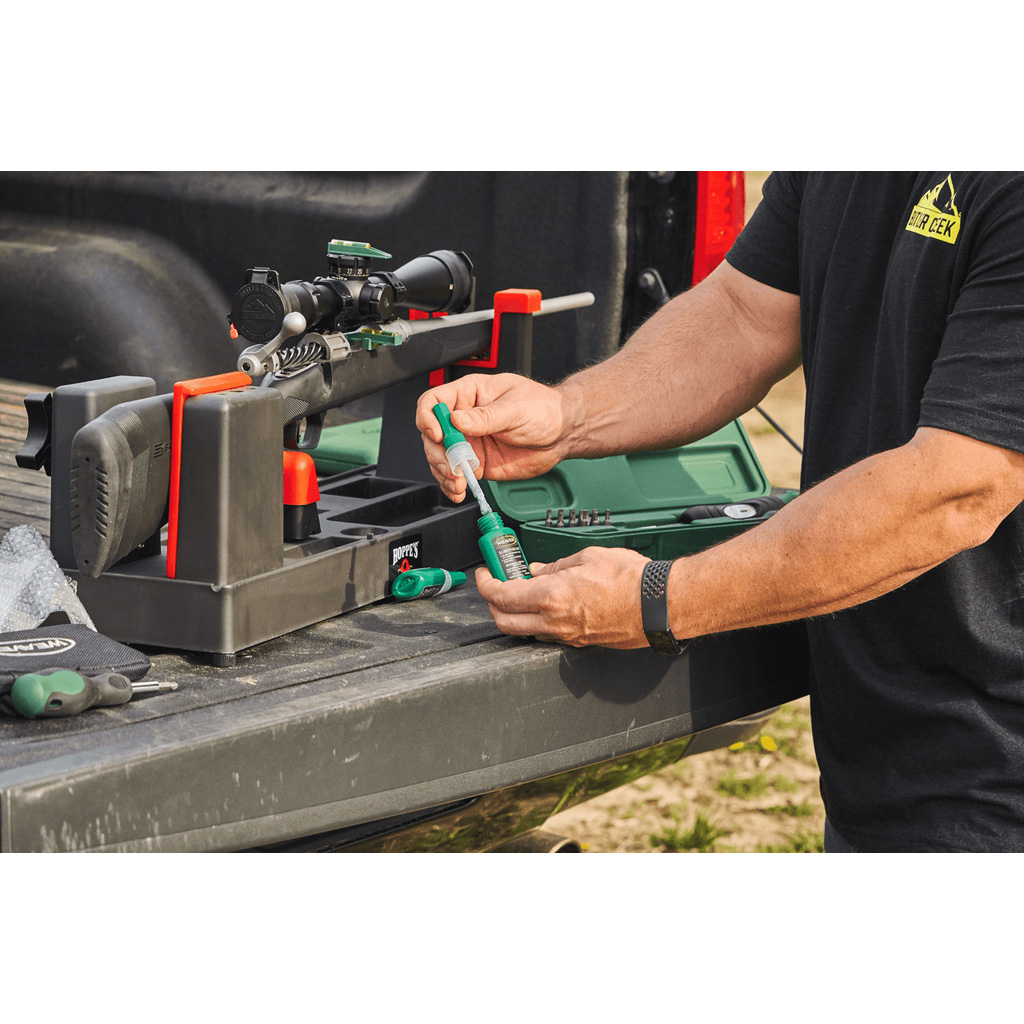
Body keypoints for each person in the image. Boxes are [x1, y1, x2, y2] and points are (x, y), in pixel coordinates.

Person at [416, 172, 1024, 853]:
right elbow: (744, 314)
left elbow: (958, 485)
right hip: (896, 752)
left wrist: (658, 599)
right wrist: (568, 417)